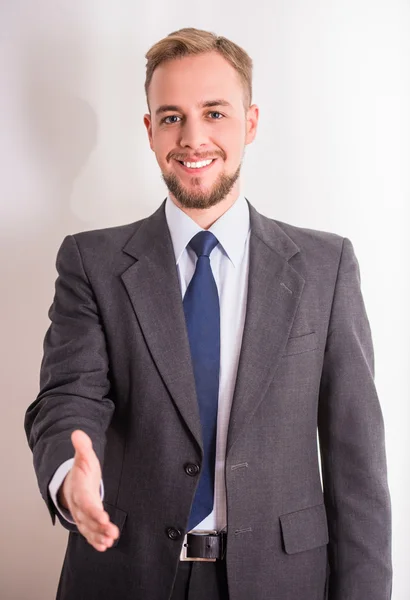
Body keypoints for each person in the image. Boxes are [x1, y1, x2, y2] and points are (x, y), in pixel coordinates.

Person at [24, 27, 392, 600]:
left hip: (282, 581)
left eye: (214, 113)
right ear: (149, 131)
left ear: (250, 122)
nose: (193, 138)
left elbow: (357, 462)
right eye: (171, 117)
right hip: (126, 574)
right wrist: (71, 481)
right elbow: (66, 397)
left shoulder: (327, 266)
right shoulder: (90, 262)